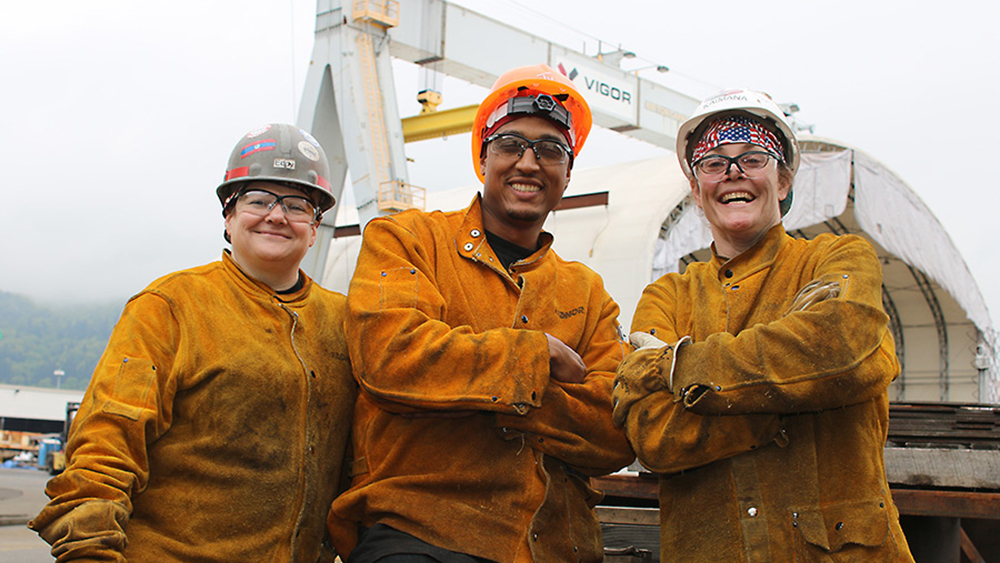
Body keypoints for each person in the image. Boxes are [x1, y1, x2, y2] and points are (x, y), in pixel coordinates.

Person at [328, 64, 635, 563]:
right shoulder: (407, 241)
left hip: (555, 544)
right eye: (511, 144)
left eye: (551, 150)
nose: (529, 163)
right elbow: (390, 358)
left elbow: (613, 429)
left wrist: (469, 387)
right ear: (483, 158)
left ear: (568, 173)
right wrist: (534, 358)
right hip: (422, 532)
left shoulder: (587, 290)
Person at [29, 123, 356, 562]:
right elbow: (106, 442)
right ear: (228, 215)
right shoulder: (170, 307)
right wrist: (90, 549)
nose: (276, 216)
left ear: (314, 227)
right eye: (258, 200)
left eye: (297, 205)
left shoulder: (344, 322)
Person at [611, 89, 914, 562]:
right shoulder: (668, 295)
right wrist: (800, 393)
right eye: (712, 163)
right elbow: (654, 436)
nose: (733, 172)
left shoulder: (837, 258)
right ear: (695, 189)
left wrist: (678, 367)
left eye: (753, 158)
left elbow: (838, 345)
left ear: (785, 180)